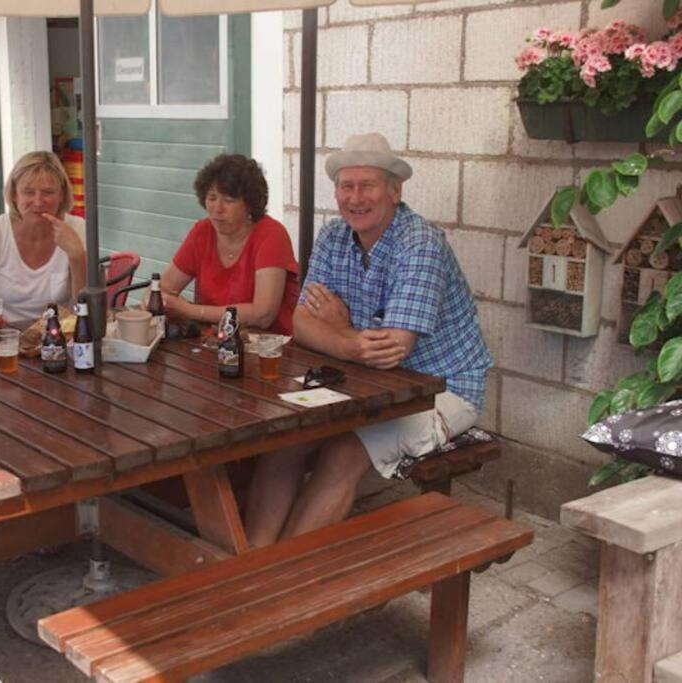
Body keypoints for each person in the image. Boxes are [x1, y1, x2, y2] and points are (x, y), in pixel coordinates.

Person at [244, 133, 493, 547]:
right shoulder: (333, 236)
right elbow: (302, 324)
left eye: (368, 185)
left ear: (395, 191)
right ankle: (248, 565)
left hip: (441, 389)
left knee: (343, 450)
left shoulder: (420, 244)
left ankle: (285, 581)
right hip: (363, 383)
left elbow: (390, 352)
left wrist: (340, 331)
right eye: (346, 186)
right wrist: (351, 342)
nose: (355, 197)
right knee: (283, 438)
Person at [158, 154, 300, 334]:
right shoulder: (202, 232)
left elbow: (263, 315)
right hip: (214, 344)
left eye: (229, 200)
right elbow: (164, 288)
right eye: (212, 198)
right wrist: (155, 298)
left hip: (269, 347)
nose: (217, 209)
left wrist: (189, 310)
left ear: (249, 204)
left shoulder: (271, 235)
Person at [0, 151, 85, 332]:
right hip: (2, 340)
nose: (38, 202)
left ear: (62, 195)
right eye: (28, 192)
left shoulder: (77, 230)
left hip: (57, 341)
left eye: (48, 192)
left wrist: (77, 255)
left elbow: (85, 309)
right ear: (14, 194)